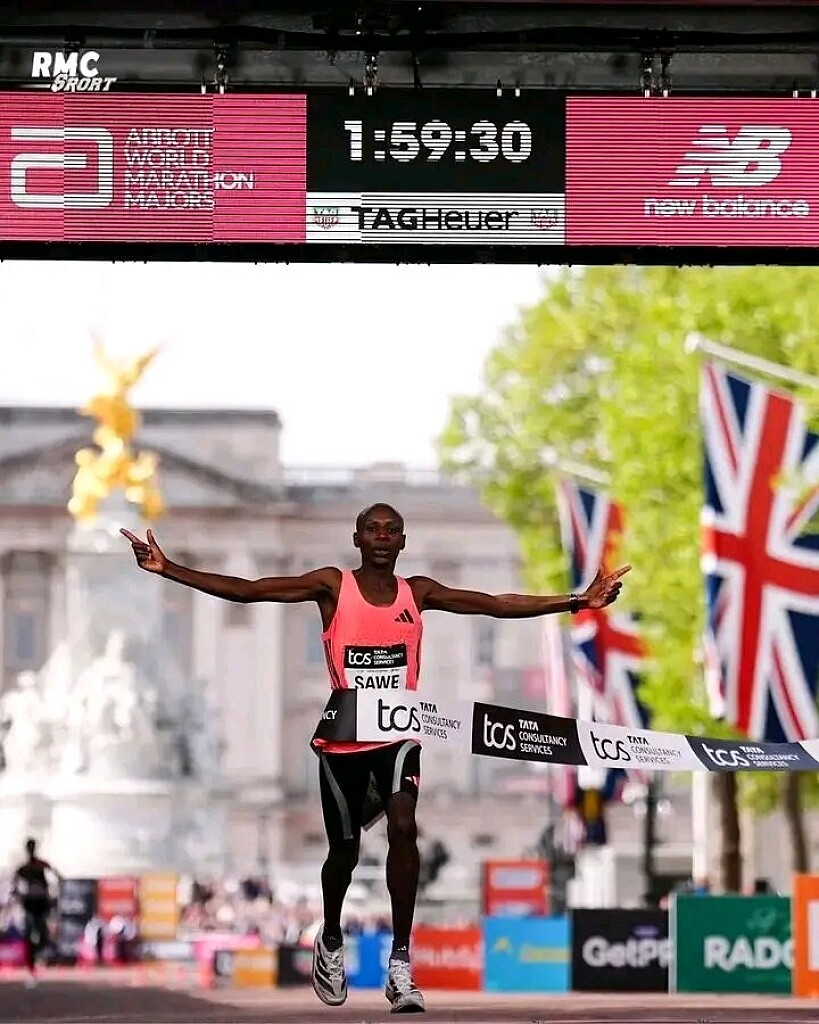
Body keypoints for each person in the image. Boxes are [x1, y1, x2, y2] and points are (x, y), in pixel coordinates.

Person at [122, 504, 629, 1013]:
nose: (382, 537)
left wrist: (578, 601)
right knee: (342, 855)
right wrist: (169, 569)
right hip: (344, 739)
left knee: (403, 826)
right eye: (373, 530)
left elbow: (494, 603)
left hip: (398, 735)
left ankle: (401, 962)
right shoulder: (331, 586)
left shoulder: (418, 593)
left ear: (403, 541)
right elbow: (249, 590)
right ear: (358, 539)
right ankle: (331, 937)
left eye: (392, 531)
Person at [13, 838, 61, 987]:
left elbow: (56, 876)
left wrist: (54, 892)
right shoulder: (24, 868)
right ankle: (32, 964)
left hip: (41, 902)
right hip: (30, 903)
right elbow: (14, 884)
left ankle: (39, 951)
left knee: (41, 931)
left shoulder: (40, 864)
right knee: (29, 933)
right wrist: (18, 894)